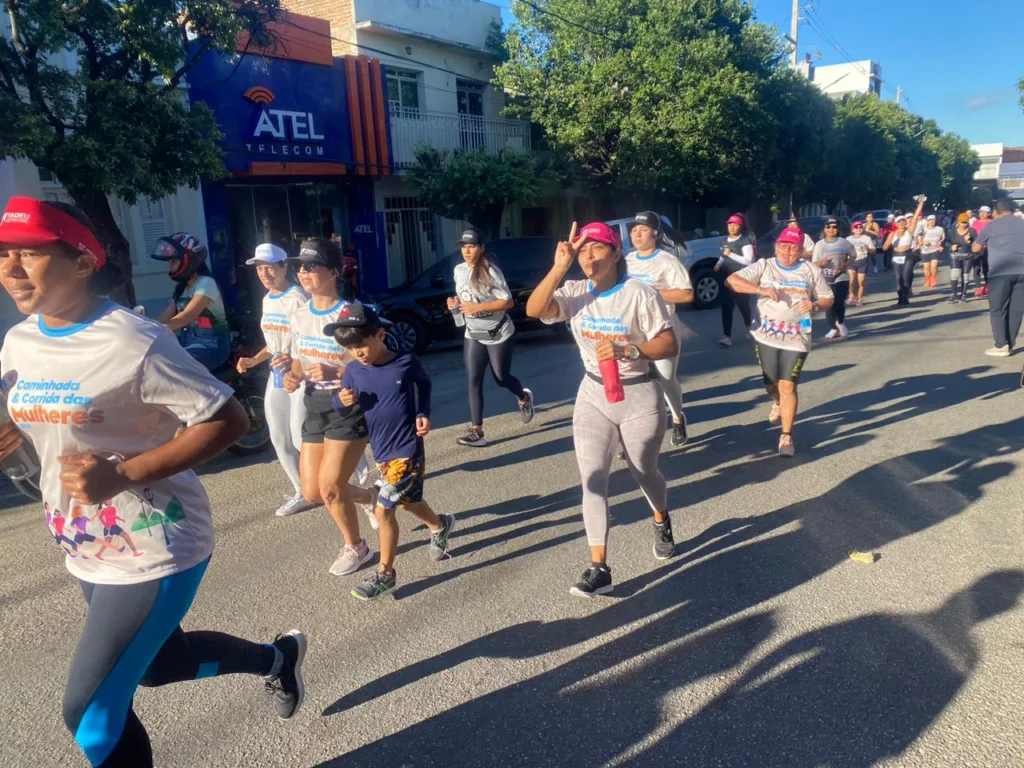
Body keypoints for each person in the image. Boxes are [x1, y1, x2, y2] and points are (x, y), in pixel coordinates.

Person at [0, 197, 306, 768]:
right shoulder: (18, 341)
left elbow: (228, 419)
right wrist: (13, 438)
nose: (11, 268)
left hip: (154, 545)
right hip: (83, 543)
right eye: (3, 255)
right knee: (162, 666)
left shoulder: (133, 340)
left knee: (90, 713)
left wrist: (124, 473)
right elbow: (45, 428)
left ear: (82, 262)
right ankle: (277, 659)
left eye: (29, 254)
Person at [526, 222, 679, 598]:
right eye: (583, 251)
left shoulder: (638, 293)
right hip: (593, 393)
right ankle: (599, 568)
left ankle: (661, 517)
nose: (588, 257)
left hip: (638, 394)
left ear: (616, 253)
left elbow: (668, 343)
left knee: (644, 471)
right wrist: (559, 268)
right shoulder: (575, 291)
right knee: (593, 478)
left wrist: (631, 349)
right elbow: (534, 309)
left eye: (597, 249)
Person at [328, 303, 456, 600]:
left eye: (361, 345)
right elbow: (339, 404)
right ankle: (440, 525)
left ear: (380, 335)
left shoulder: (405, 362)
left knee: (384, 509)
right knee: (409, 502)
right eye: (350, 349)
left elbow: (423, 385)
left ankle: (385, 574)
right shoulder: (353, 371)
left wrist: (422, 412)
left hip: (407, 448)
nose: (357, 353)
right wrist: (341, 401)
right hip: (382, 450)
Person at [282, 239, 377, 575]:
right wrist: (292, 376)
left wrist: (337, 372)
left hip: (348, 403)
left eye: (311, 266)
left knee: (331, 488)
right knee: (312, 492)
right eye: (300, 266)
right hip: (314, 403)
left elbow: (373, 364)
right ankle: (370, 497)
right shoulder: (299, 314)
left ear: (334, 272)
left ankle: (357, 547)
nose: (303, 272)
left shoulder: (351, 314)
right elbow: (299, 361)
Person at [726, 226, 834, 457]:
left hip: (797, 338)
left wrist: (815, 305)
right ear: (776, 247)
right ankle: (776, 401)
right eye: (783, 246)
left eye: (793, 247)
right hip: (765, 336)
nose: (787, 251)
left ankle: (786, 436)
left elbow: (828, 298)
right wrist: (760, 289)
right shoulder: (765, 265)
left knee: (788, 386)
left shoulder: (811, 270)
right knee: (771, 384)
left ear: (801, 250)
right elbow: (731, 281)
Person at [235, 243, 317, 517]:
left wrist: (294, 360)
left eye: (270, 267)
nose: (265, 274)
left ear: (284, 267)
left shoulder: (298, 297)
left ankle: (345, 479)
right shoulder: (267, 300)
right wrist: (253, 360)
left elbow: (311, 338)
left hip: (301, 375)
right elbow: (273, 344)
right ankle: (303, 492)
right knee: (279, 438)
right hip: (277, 374)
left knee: (300, 437)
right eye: (260, 268)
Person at [445, 228, 534, 448]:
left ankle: (523, 397)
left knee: (501, 378)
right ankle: (477, 431)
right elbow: (465, 296)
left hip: (498, 332)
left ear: (481, 248)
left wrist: (478, 308)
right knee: (473, 380)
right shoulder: (458, 270)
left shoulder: (490, 271)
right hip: (473, 333)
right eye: (464, 247)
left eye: (472, 246)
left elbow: (508, 302)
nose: (467, 251)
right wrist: (455, 303)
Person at [625, 211, 694, 446]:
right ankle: (634, 437)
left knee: (666, 380)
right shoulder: (626, 261)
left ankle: (677, 418)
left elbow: (686, 294)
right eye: (634, 230)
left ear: (655, 233)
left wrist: (652, 293)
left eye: (643, 230)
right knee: (633, 382)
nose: (637, 234)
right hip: (634, 331)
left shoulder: (667, 261)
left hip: (662, 329)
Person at [151, 233, 231, 370]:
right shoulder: (181, 289)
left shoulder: (206, 283)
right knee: (153, 359)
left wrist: (161, 330)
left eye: (173, 261)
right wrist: (141, 325)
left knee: (169, 365)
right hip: (188, 345)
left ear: (188, 260)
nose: (170, 266)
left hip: (211, 347)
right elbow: (164, 316)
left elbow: (188, 315)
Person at [973, 199, 1024, 356]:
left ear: (996, 212)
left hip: (1000, 272)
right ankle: (1010, 344)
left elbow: (976, 247)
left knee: (998, 308)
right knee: (1016, 309)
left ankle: (1001, 345)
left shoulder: (992, 225)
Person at [715, 214, 756, 347]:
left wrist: (731, 254)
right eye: (730, 224)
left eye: (735, 225)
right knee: (726, 306)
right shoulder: (724, 241)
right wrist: (718, 264)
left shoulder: (745, 241)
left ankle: (749, 327)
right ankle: (727, 337)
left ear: (740, 227)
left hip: (741, 278)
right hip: (726, 278)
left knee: (743, 305)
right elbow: (723, 256)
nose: (732, 227)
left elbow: (749, 261)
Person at [811, 218, 856, 340]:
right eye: (828, 227)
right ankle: (833, 328)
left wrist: (845, 265)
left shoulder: (844, 242)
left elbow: (853, 255)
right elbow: (814, 263)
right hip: (826, 278)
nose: (831, 229)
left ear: (838, 229)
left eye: (834, 227)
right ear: (824, 229)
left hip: (841, 276)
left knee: (839, 302)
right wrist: (821, 263)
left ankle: (840, 322)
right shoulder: (819, 244)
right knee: (829, 303)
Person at [883, 198, 927, 306]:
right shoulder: (892, 234)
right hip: (896, 256)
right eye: (899, 221)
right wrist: (890, 241)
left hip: (908, 255)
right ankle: (900, 298)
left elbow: (915, 217)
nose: (902, 223)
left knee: (906, 278)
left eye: (903, 221)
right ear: (896, 223)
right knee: (898, 279)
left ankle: (905, 296)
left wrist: (920, 204)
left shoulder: (909, 231)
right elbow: (884, 248)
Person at [948, 212, 976, 303]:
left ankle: (963, 295)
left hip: (968, 256)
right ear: (958, 222)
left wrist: (969, 241)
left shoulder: (972, 231)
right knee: (954, 274)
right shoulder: (952, 231)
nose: (964, 224)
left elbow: (976, 243)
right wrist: (951, 246)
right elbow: (947, 241)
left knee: (965, 275)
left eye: (965, 222)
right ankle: (953, 294)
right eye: (962, 222)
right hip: (955, 255)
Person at [846, 220, 875, 306]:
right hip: (851, 261)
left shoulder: (866, 238)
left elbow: (873, 251)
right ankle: (851, 295)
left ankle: (859, 298)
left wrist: (868, 249)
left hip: (862, 261)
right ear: (853, 229)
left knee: (860, 282)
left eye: (860, 227)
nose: (858, 229)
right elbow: (843, 250)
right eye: (856, 227)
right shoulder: (848, 239)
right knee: (851, 281)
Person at [918, 214, 946, 288]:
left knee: (934, 266)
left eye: (933, 220)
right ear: (927, 221)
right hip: (925, 250)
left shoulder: (940, 229)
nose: (931, 221)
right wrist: (923, 242)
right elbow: (919, 241)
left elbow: (943, 238)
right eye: (929, 220)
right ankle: (927, 279)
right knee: (926, 267)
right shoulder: (923, 230)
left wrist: (941, 245)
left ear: (935, 221)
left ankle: (933, 279)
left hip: (935, 249)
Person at [971, 205, 994, 297]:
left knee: (986, 268)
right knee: (976, 267)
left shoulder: (992, 223)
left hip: (988, 248)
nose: (982, 214)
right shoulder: (975, 223)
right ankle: (978, 288)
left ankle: (987, 285)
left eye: (984, 212)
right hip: (977, 248)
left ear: (989, 214)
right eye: (981, 212)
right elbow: (972, 235)